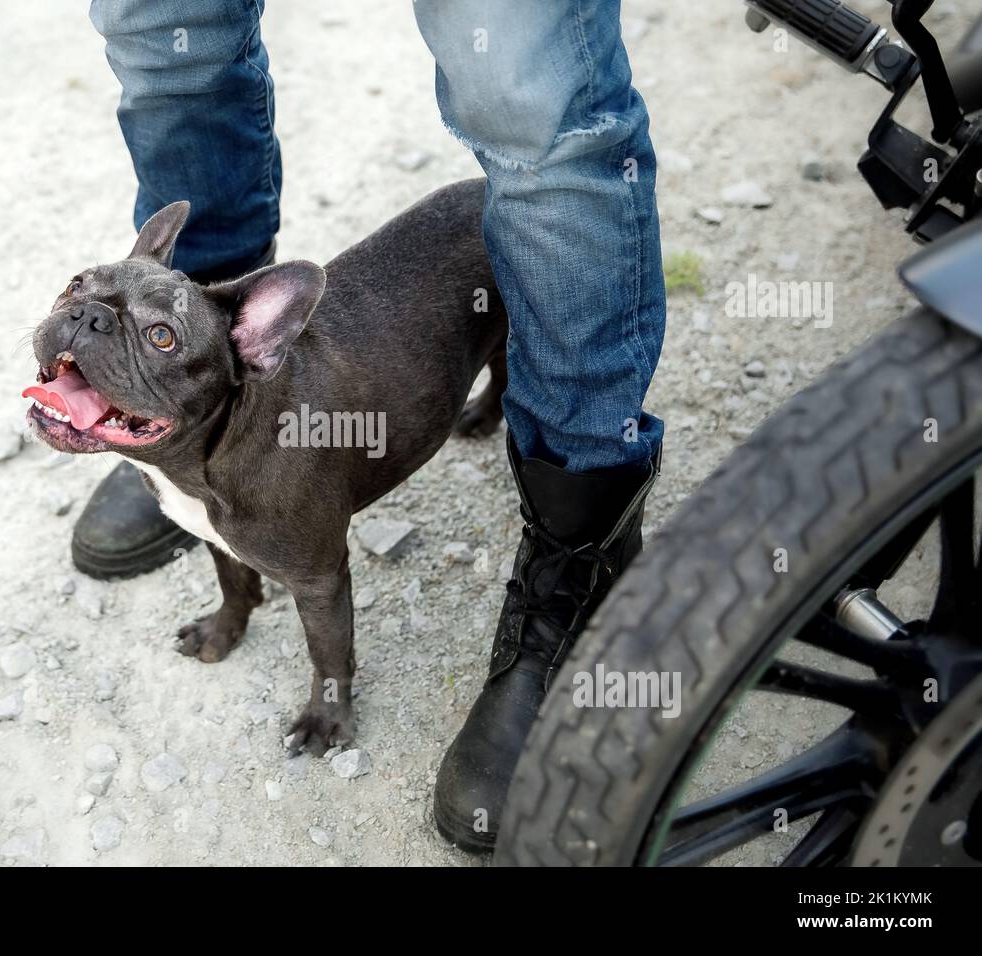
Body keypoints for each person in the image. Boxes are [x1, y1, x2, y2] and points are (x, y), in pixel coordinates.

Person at [81, 0, 665, 852]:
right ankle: (167, 432)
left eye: (150, 335)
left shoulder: (283, 487)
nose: (85, 325)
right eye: (85, 302)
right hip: (215, 413)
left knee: (539, 106)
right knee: (167, 37)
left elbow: (322, 584)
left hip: (328, 400)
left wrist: (328, 691)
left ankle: (584, 540)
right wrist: (232, 614)